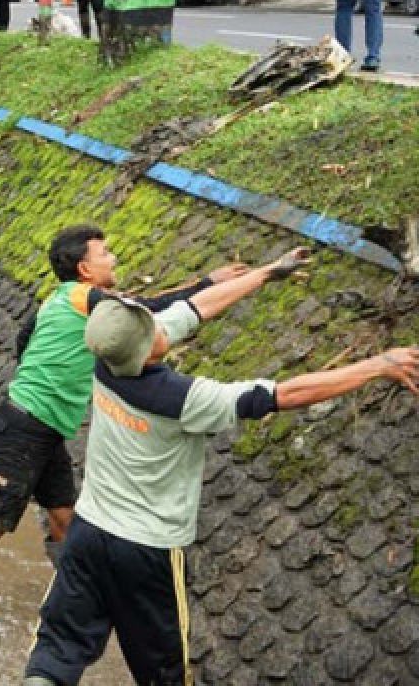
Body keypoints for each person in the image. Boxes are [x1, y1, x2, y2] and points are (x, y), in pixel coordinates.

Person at [23, 284, 418, 686]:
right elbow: (288, 393)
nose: (160, 327)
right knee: (164, 671)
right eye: (150, 327)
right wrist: (378, 365)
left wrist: (265, 273)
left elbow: (188, 311)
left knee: (56, 649)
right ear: (148, 349)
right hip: (145, 550)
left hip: (88, 531)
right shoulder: (184, 399)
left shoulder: (106, 365)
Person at [0, 224, 281, 641]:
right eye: (106, 253)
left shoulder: (63, 299)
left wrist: (208, 282)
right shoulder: (87, 299)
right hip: (26, 429)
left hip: (41, 429)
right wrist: (216, 284)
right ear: (85, 268)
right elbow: (148, 311)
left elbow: (25, 338)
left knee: (66, 516)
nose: (113, 259)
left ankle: (79, 602)